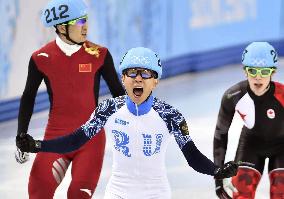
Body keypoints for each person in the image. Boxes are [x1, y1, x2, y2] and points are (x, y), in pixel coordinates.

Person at [17, 47, 239, 199]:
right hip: (118, 192)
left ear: (156, 81)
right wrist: (38, 146)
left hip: (156, 193)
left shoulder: (169, 115)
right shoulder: (109, 109)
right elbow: (75, 140)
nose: (138, 78)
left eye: (145, 73)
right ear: (123, 79)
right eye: (131, 73)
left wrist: (217, 171)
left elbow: (192, 156)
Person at [15, 0, 125, 198]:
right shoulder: (41, 57)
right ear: (61, 27)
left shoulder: (99, 54)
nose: (86, 27)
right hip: (56, 137)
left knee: (78, 195)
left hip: (90, 140)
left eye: (86, 20)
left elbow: (119, 94)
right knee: (38, 191)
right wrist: (21, 135)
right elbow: (29, 97)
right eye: (80, 22)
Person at [213, 42, 284, 199]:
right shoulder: (233, 96)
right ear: (245, 71)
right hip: (251, 146)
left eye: (264, 72)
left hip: (282, 148)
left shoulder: (282, 95)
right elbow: (220, 135)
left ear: (273, 73)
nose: (258, 77)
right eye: (252, 71)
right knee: (242, 195)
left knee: (281, 193)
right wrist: (218, 178)